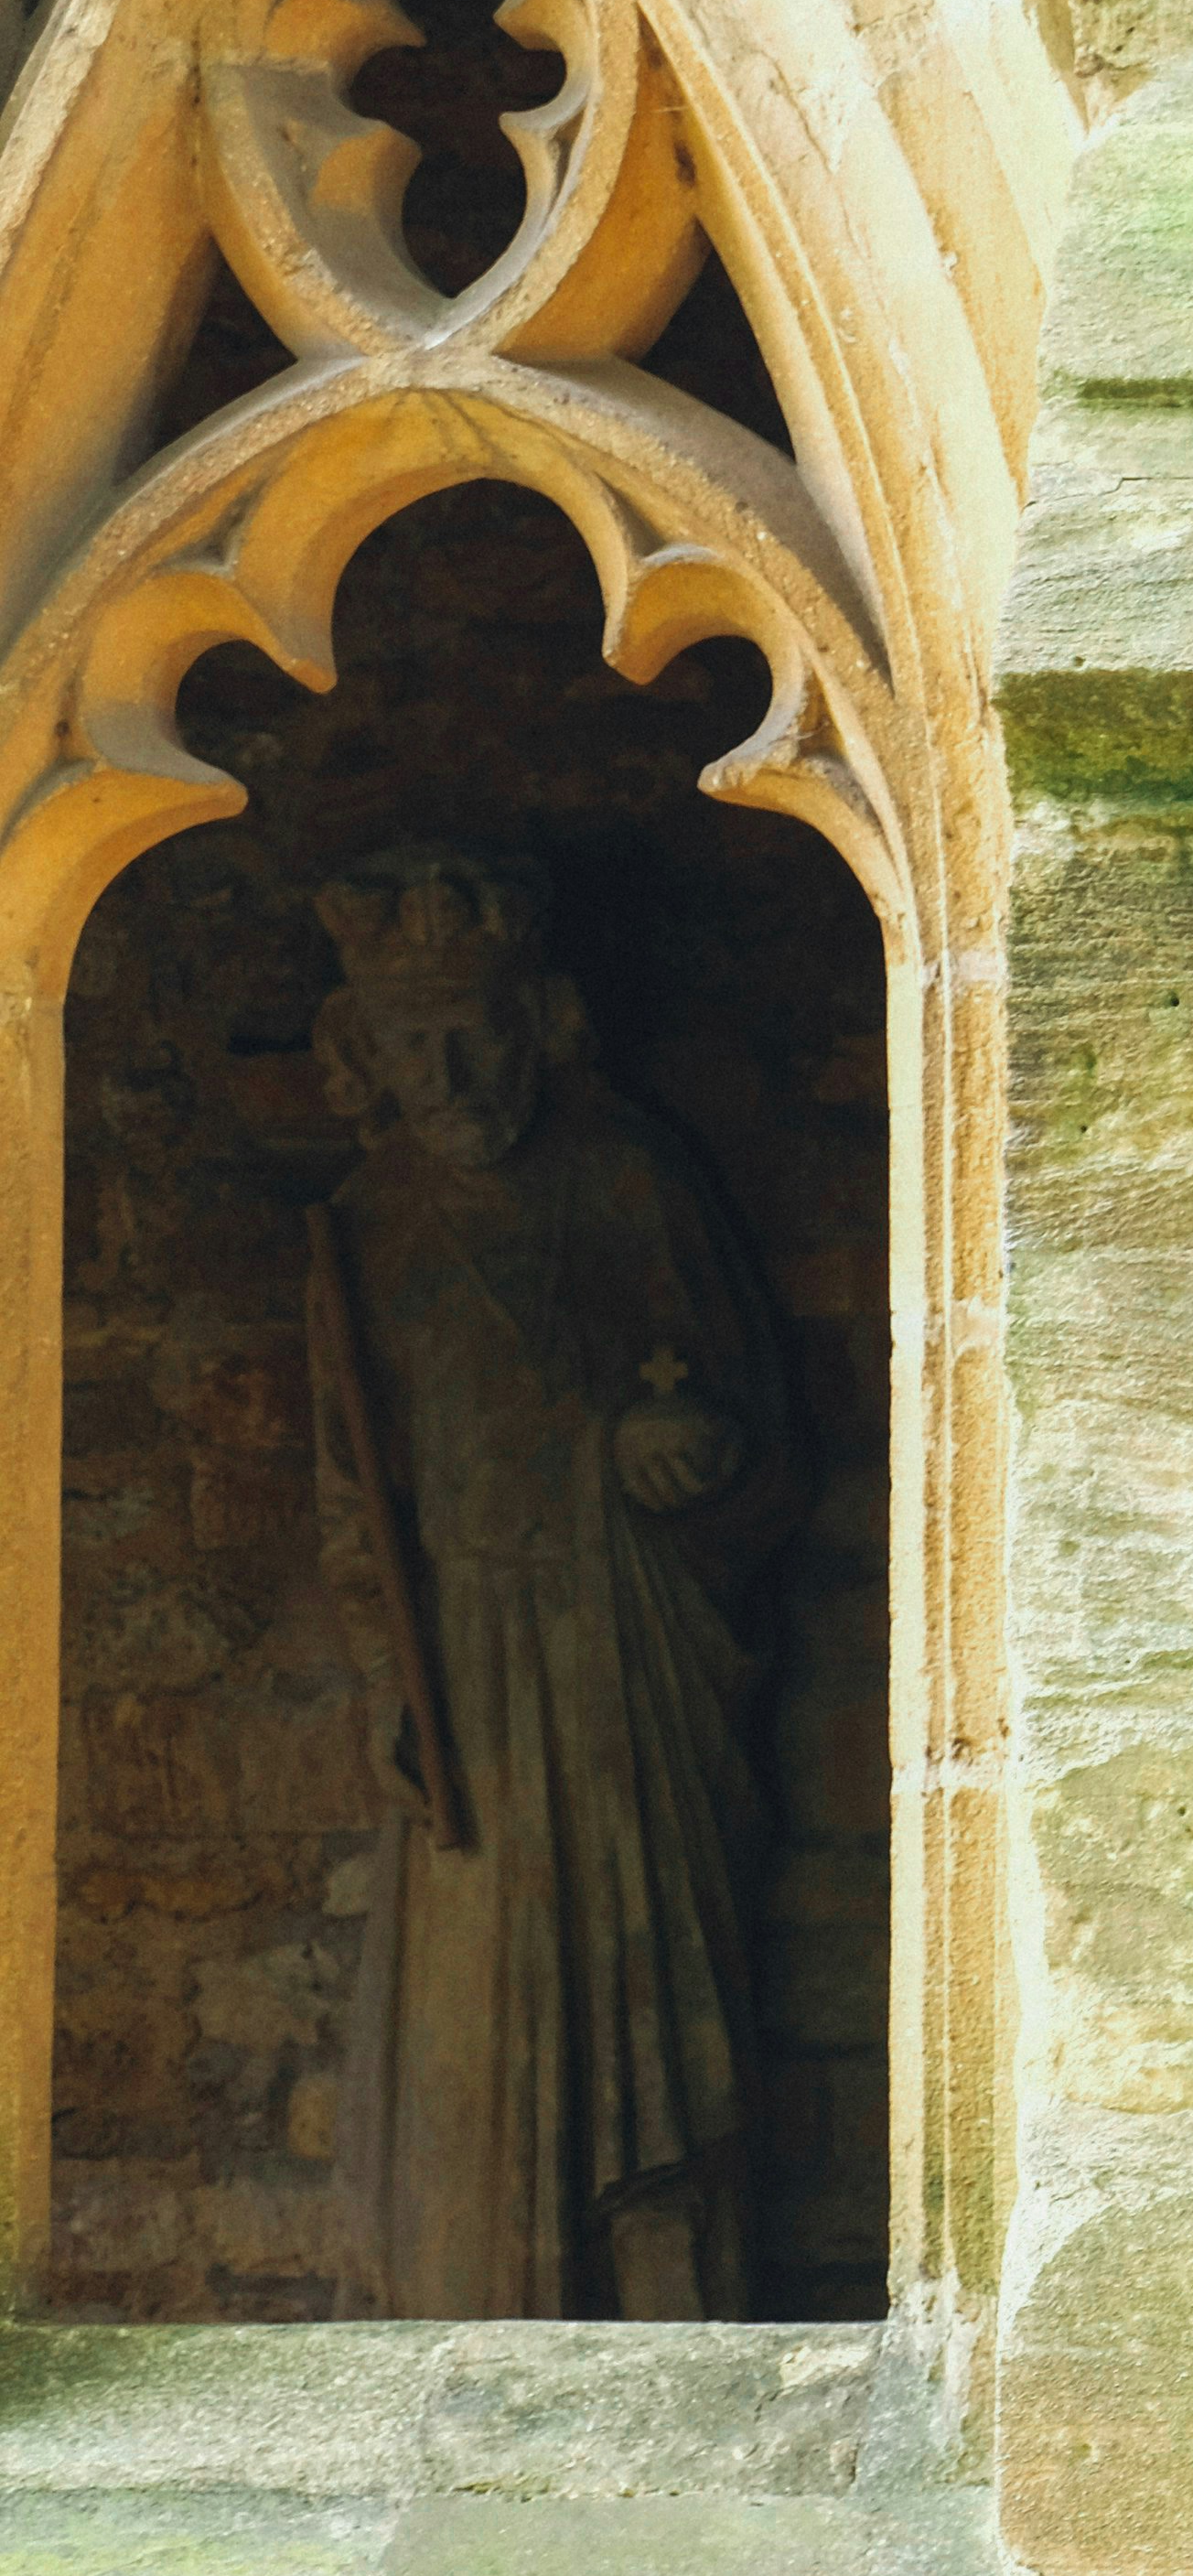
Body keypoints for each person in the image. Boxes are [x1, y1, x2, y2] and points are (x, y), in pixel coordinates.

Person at [306, 846, 801, 2320]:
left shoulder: (633, 1180)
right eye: (409, 1042)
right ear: (367, 1056)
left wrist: (673, 1453)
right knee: (464, 2022)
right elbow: (355, 1487)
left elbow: (761, 1435)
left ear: (544, 1021)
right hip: (461, 1659)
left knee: (657, 2016)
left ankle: (666, 2321)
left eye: (475, 1028)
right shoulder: (367, 1229)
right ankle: (470, 2314)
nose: (447, 1069)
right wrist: (389, 1672)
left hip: (624, 1659)